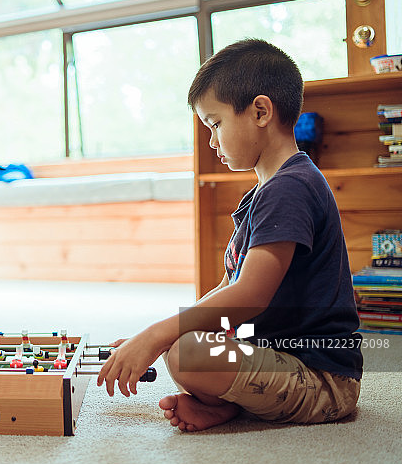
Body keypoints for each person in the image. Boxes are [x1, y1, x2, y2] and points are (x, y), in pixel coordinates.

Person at [97, 39, 362, 431]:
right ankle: (226, 406)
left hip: (323, 379)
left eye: (216, 124)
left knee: (185, 350)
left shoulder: (290, 188)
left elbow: (250, 294)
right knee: (181, 342)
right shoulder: (263, 193)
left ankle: (228, 404)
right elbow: (229, 285)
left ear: (260, 112)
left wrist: (155, 336)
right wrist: (156, 337)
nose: (211, 141)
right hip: (274, 355)